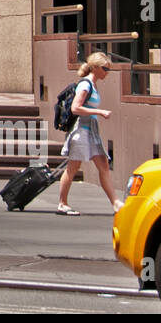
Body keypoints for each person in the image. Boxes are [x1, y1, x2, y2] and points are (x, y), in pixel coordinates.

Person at [56, 52, 123, 216]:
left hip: (91, 131)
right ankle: (62, 203)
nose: (107, 72)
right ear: (95, 68)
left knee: (103, 165)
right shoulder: (86, 85)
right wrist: (99, 111)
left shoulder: (93, 84)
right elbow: (75, 108)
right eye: (105, 68)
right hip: (82, 130)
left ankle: (115, 202)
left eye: (108, 69)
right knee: (73, 167)